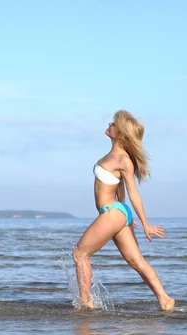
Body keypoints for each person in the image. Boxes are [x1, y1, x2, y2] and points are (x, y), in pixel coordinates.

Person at [72, 110, 175, 311]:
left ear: (121, 133)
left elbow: (133, 192)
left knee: (79, 254)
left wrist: (144, 223)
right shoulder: (112, 156)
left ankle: (86, 303)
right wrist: (124, 214)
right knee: (135, 260)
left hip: (112, 212)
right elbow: (118, 187)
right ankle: (164, 299)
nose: (110, 124)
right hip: (117, 211)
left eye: (114, 124)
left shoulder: (123, 159)